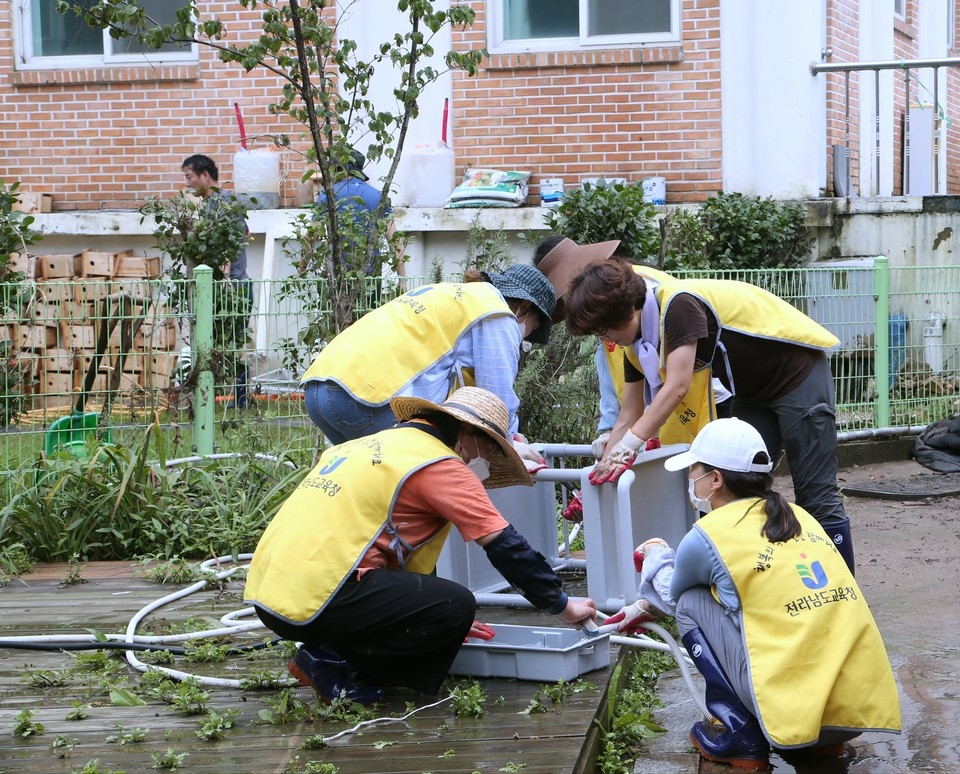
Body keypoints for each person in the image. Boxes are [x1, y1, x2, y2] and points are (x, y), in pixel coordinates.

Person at [244, 387, 598, 703]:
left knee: (446, 607)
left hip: (269, 593)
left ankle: (328, 654)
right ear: (466, 434)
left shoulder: (372, 446)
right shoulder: (440, 465)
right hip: (319, 598)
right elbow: (506, 547)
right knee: (457, 603)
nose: (489, 459)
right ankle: (333, 660)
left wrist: (425, 616)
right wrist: (562, 606)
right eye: (491, 446)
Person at [605, 418, 900, 769]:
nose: (690, 480)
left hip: (790, 709)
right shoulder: (800, 516)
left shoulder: (710, 532)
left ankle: (739, 732)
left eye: (694, 471)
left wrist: (656, 555)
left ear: (715, 480)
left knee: (689, 603)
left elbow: (673, 596)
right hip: (852, 712)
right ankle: (821, 746)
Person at [563, 258, 856, 573]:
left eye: (604, 328)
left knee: (816, 495)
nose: (604, 338)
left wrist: (632, 443)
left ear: (626, 309)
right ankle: (759, 579)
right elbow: (628, 414)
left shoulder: (677, 306)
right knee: (733, 489)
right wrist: (606, 464)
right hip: (751, 394)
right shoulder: (637, 344)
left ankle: (842, 589)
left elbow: (676, 387)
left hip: (797, 375)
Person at [300, 263, 556, 468]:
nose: (523, 339)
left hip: (320, 388)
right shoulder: (498, 313)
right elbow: (495, 397)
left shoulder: (459, 297)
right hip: (368, 400)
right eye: (529, 331)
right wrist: (510, 442)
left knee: (367, 485)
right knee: (415, 484)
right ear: (524, 308)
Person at [181, 154, 253, 407]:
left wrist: (224, 279)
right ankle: (224, 398)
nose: (187, 183)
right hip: (224, 284)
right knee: (222, 341)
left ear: (205, 176)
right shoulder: (218, 204)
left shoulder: (221, 204)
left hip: (232, 286)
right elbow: (246, 232)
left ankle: (241, 400)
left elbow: (230, 245)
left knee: (234, 341)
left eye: (189, 177)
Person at [316, 147, 404, 305]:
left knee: (338, 326)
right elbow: (394, 240)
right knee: (368, 324)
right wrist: (402, 278)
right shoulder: (378, 196)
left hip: (337, 276)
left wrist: (299, 270)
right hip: (370, 276)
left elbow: (311, 234)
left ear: (340, 169)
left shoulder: (327, 195)